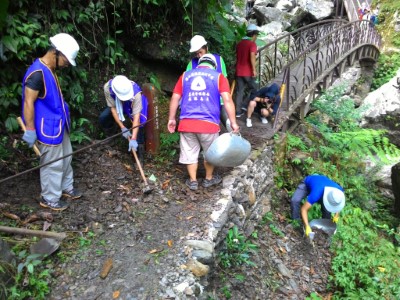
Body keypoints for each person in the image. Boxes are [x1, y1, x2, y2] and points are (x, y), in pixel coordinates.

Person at [21, 33, 82, 211]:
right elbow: (28, 102)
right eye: (66, 60)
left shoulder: (50, 70)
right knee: (52, 163)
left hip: (59, 125)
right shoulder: (37, 73)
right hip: (47, 127)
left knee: (66, 156)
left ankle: (66, 187)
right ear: (56, 53)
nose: (66, 64)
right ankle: (50, 198)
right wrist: (30, 129)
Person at [168, 54, 239, 190]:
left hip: (186, 123)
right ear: (214, 66)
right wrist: (233, 122)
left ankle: (193, 181)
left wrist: (172, 119)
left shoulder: (185, 76)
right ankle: (208, 179)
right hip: (209, 124)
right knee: (210, 152)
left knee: (190, 152)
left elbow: (175, 97)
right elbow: (227, 100)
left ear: (199, 64)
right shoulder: (219, 77)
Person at [98, 75, 148, 163]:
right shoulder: (108, 88)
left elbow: (137, 119)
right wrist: (122, 127)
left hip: (131, 103)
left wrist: (133, 139)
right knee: (103, 117)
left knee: (140, 124)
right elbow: (113, 109)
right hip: (117, 104)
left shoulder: (136, 94)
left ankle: (139, 151)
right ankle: (112, 135)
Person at [186, 35, 231, 131]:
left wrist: (228, 97)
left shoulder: (218, 60)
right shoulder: (192, 64)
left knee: (229, 123)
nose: (199, 56)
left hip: (220, 100)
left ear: (206, 48)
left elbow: (225, 79)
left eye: (200, 52)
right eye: (196, 53)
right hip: (201, 102)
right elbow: (187, 84)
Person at [235, 23, 260, 117]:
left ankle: (237, 111)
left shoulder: (239, 43)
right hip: (247, 72)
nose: (256, 37)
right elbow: (252, 57)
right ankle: (245, 105)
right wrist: (254, 70)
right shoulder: (252, 44)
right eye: (256, 35)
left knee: (239, 91)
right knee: (254, 88)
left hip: (238, 71)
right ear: (253, 34)